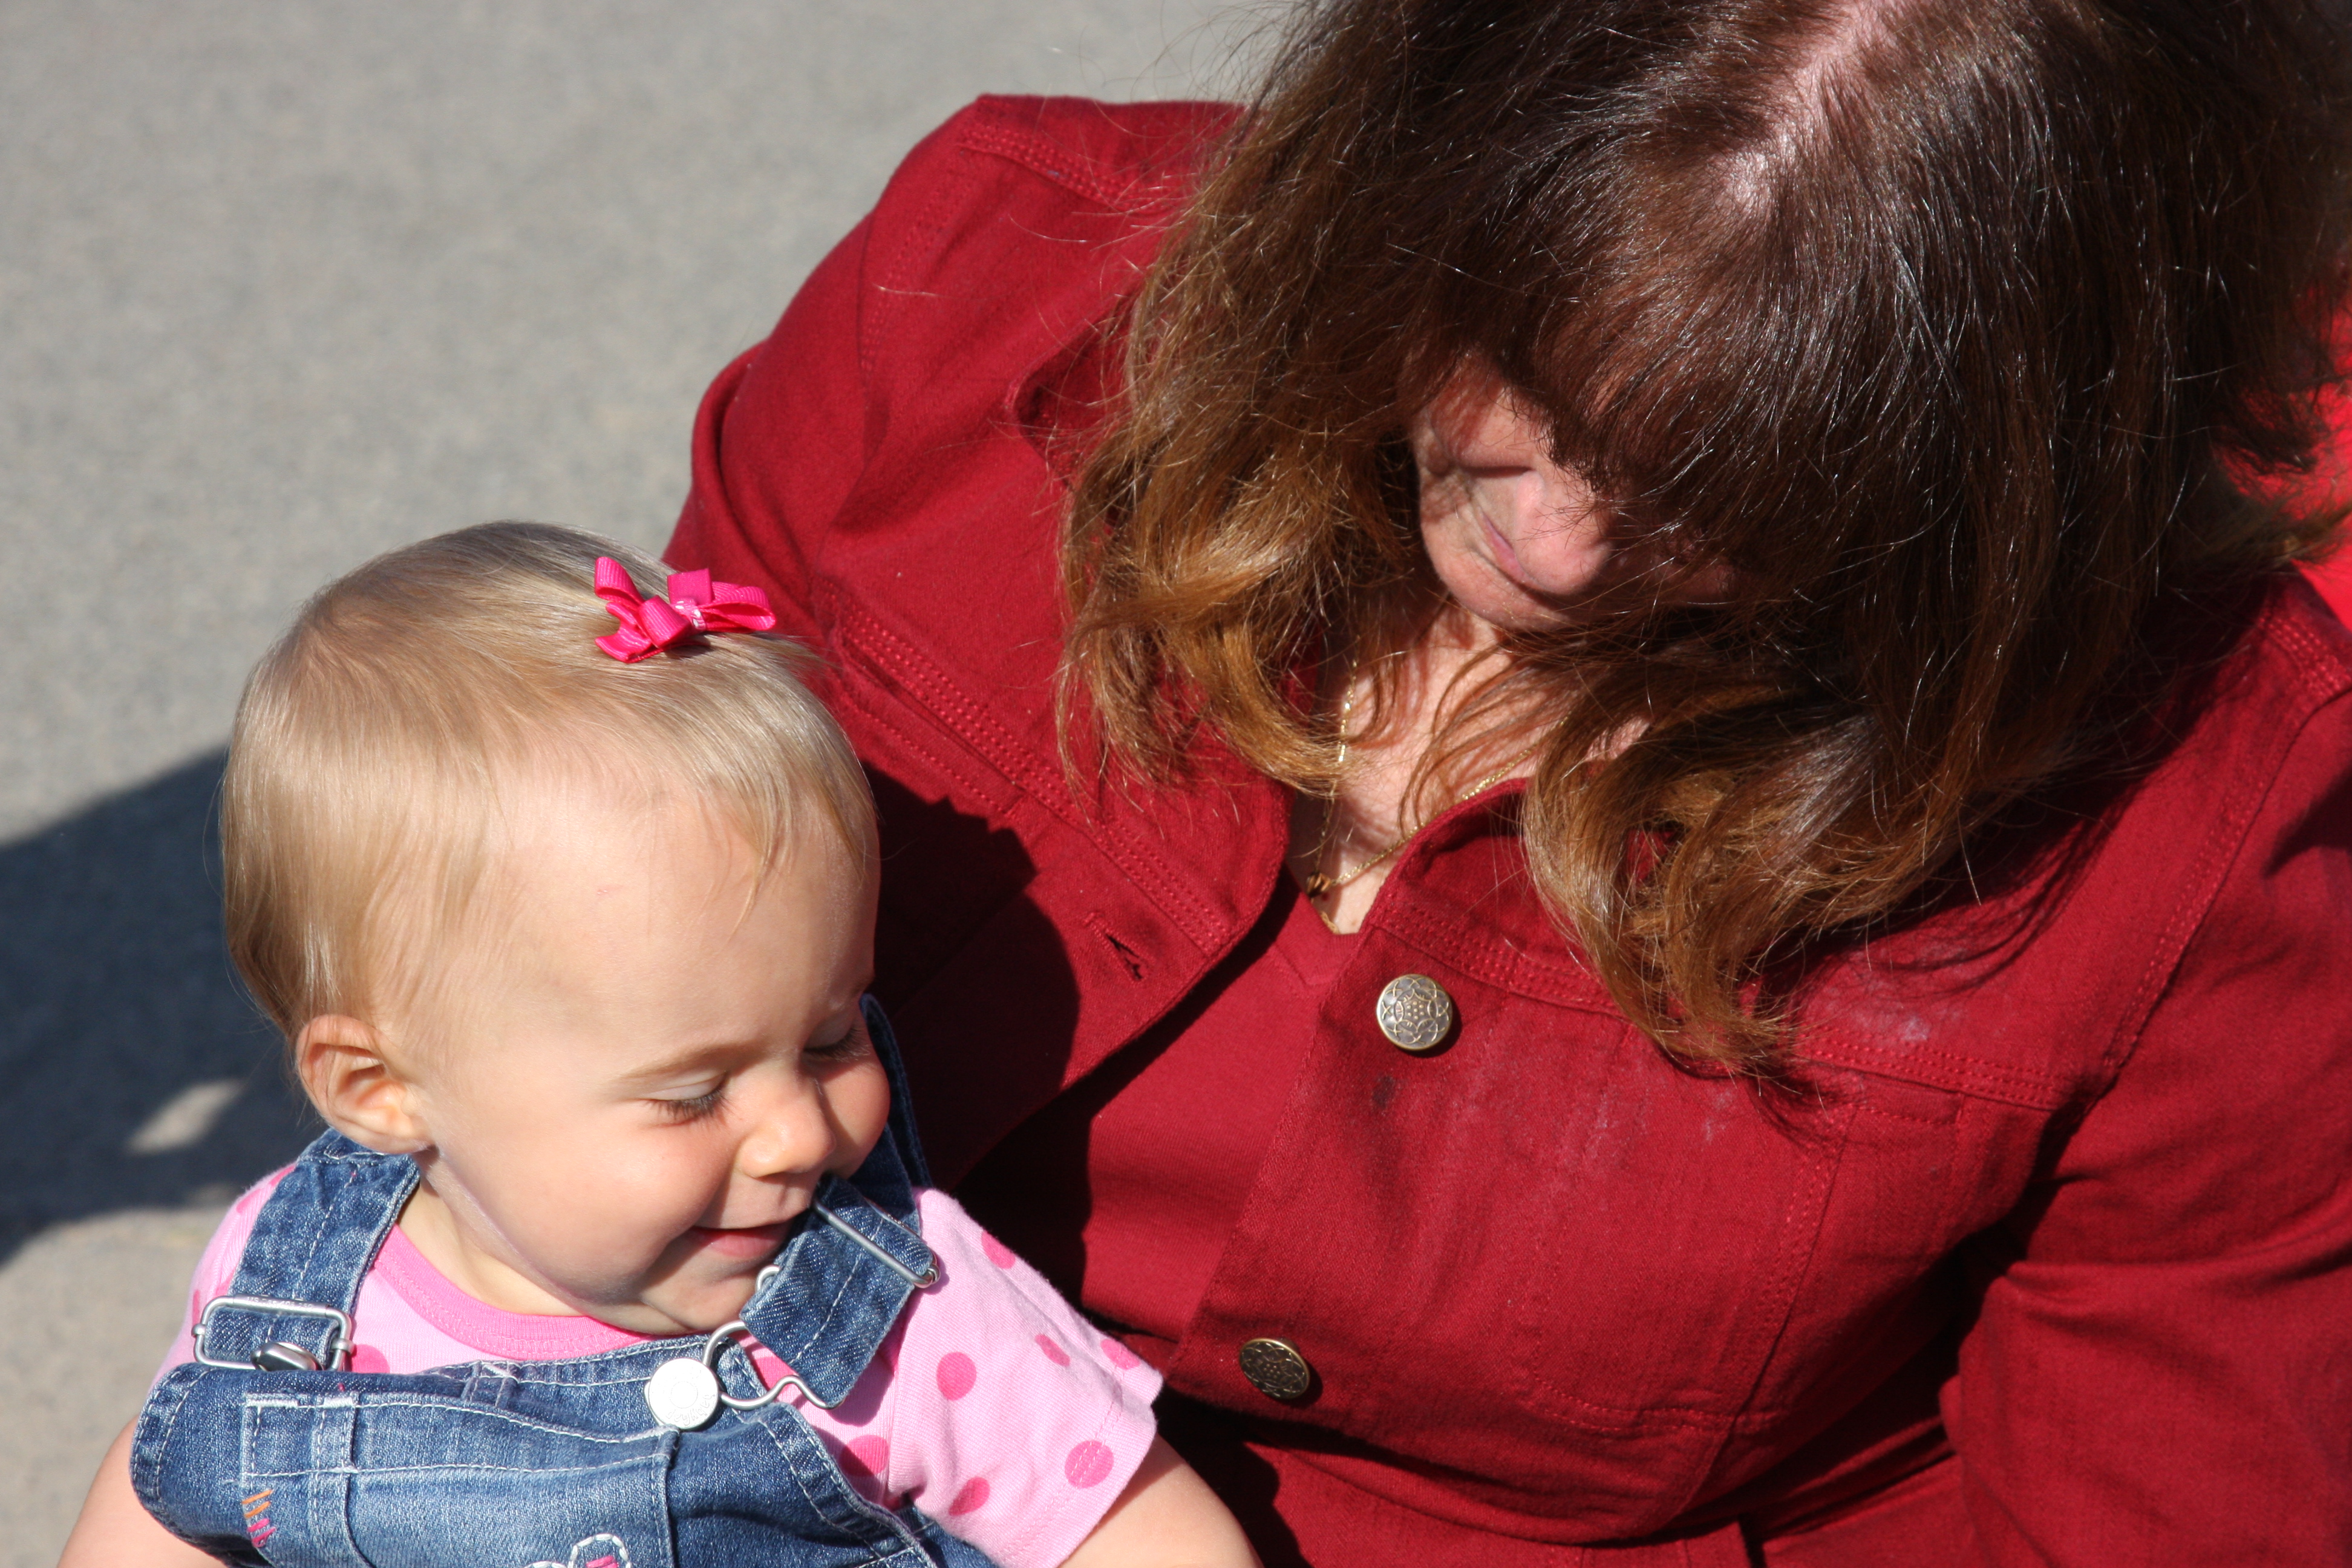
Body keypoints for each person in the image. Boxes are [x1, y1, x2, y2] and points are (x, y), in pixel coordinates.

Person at [664, 0, 2352, 1562]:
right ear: (1402, 183)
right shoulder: (992, 286)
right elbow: (579, 934)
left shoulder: (2195, 787)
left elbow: (2165, 1506)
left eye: (1728, 491)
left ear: (1989, 479)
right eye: (1526, 390)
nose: (1553, 547)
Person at [57, 524, 1260, 1568]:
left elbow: (1142, 1533)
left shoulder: (897, 1317)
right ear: (379, 1089)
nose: (798, 1136)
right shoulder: (293, 1288)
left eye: (830, 1035)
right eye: (693, 1095)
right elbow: (181, 1488)